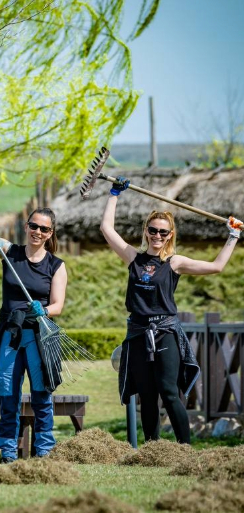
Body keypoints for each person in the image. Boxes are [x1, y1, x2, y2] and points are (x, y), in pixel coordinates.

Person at [101, 176, 242, 444]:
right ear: (146, 231)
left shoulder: (175, 262)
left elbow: (216, 267)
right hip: (138, 331)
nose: (157, 236)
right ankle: (152, 449)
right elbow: (107, 228)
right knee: (146, 393)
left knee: (168, 391)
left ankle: (184, 449)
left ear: (170, 235)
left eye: (163, 232)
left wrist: (233, 235)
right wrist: (114, 194)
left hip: (165, 331)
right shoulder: (134, 258)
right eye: (153, 231)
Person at [0, 189, 67, 463]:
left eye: (44, 229)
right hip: (10, 335)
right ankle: (8, 453)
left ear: (50, 233)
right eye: (34, 226)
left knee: (42, 397)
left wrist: (42, 309)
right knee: (8, 395)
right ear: (26, 226)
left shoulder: (56, 265)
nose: (37, 232)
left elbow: (58, 305)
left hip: (40, 338)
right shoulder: (9, 253)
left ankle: (44, 452)